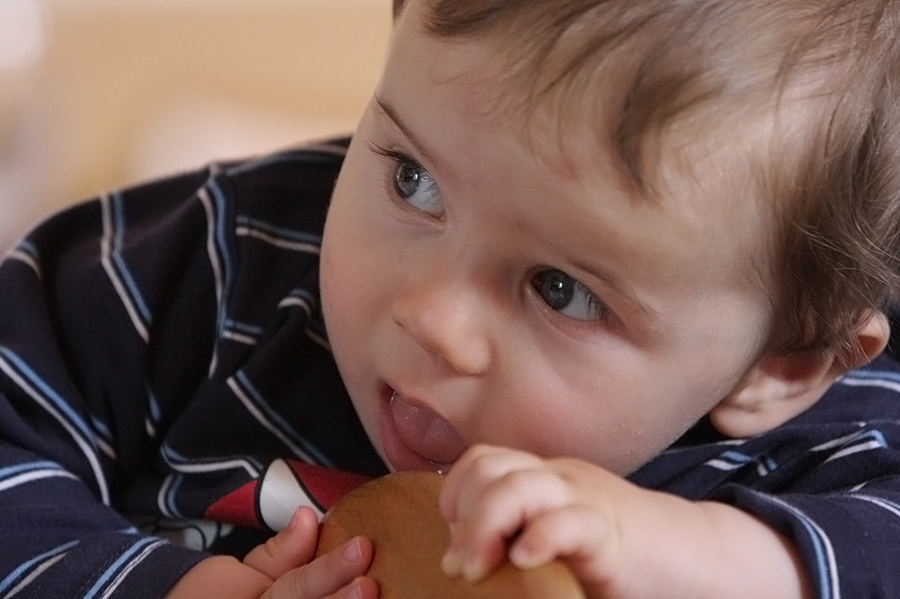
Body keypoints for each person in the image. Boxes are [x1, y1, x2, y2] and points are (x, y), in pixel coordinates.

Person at [1, 0, 899, 597]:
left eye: (562, 290)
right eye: (415, 183)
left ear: (781, 363)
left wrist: (702, 557)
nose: (431, 318)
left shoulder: (828, 458)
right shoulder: (222, 258)